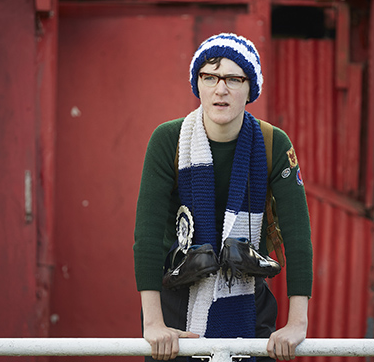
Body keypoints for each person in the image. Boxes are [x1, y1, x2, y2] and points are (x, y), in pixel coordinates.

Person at [133, 33, 313, 362]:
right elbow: (148, 236)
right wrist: (153, 323)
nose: (220, 89)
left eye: (233, 79)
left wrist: (297, 323)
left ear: (250, 88)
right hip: (175, 305)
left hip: (250, 301)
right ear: (197, 84)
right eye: (210, 77)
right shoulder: (167, 140)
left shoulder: (274, 143)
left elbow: (297, 235)